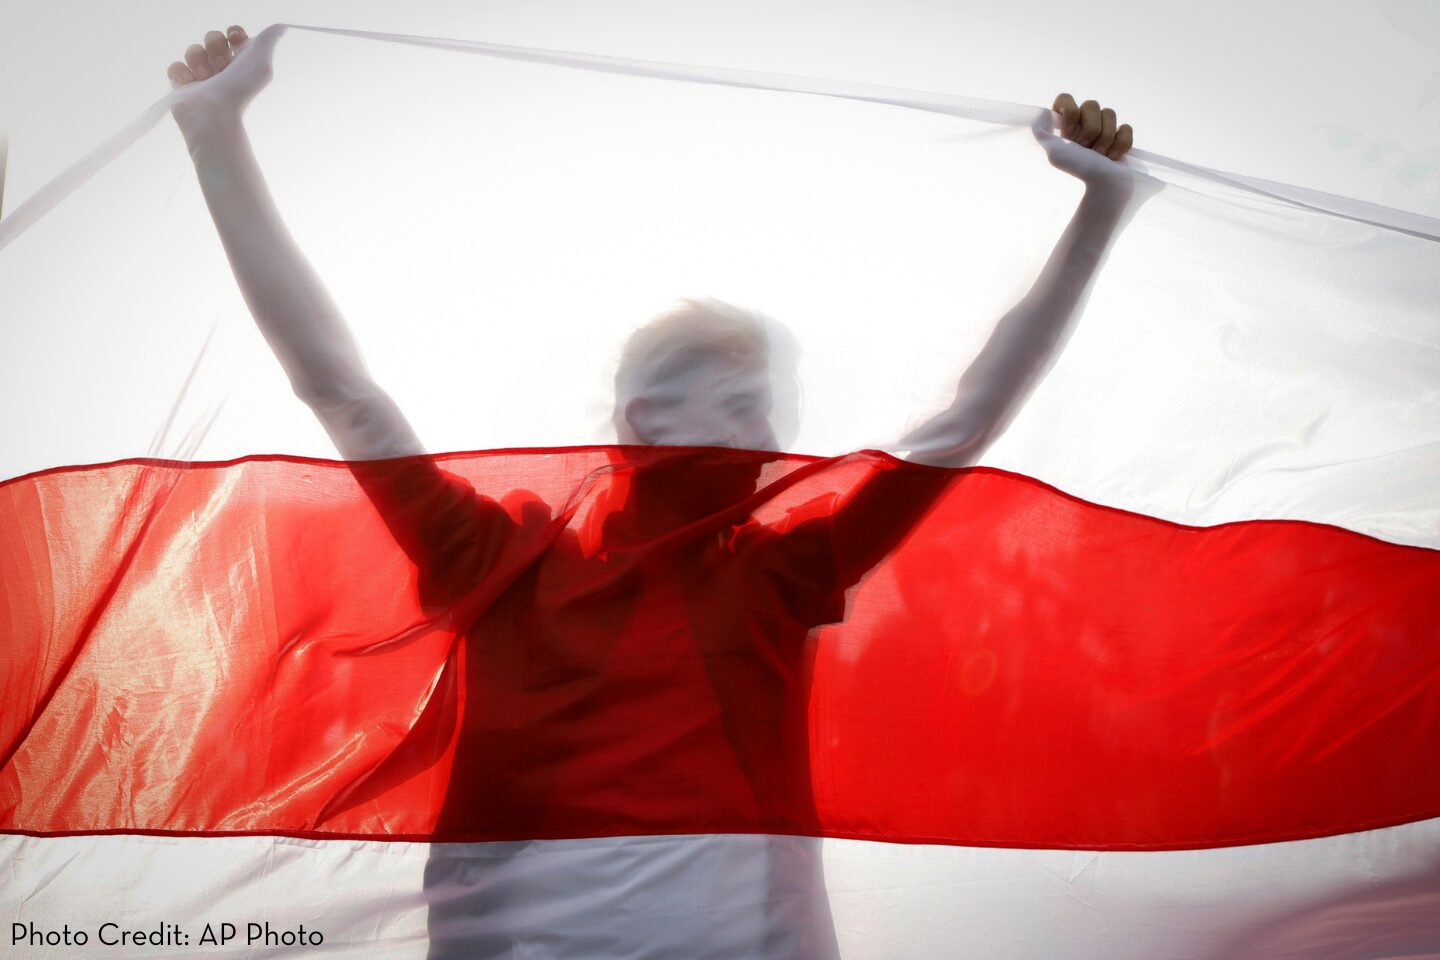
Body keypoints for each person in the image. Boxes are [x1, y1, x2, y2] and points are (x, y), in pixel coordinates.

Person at [168, 24, 1141, 959]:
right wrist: (216, 135)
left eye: (766, 405)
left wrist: (1097, 213)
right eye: (724, 397)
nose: (760, 430)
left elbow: (963, 423)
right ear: (637, 420)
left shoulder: (784, 571)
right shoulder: (496, 565)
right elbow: (341, 391)